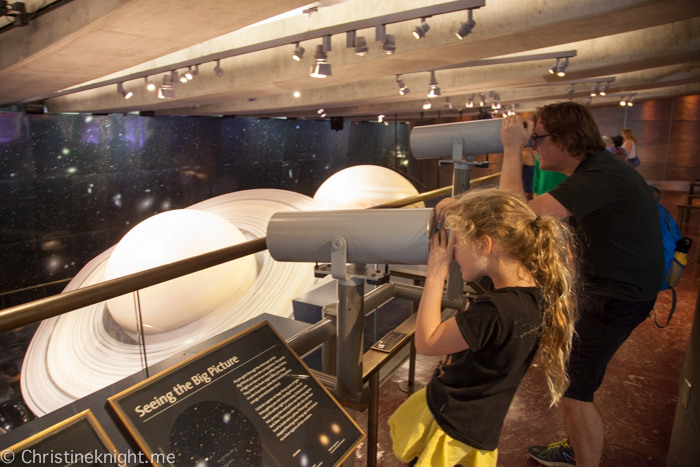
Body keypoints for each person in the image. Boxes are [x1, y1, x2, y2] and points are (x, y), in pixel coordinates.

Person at [494, 103, 664, 467]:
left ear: (567, 139)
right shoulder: (598, 171)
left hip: (616, 299)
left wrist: (510, 148)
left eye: (536, 139)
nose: (532, 147)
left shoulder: (601, 176)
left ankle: (583, 459)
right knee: (570, 379)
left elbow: (515, 219)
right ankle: (576, 448)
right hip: (610, 290)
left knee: (574, 390)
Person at [389, 188, 578, 467]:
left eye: (458, 245)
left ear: (485, 245)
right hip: (477, 426)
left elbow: (427, 342)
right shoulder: (530, 294)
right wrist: (459, 210)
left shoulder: (496, 311)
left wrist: (436, 273)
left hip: (452, 428)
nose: (452, 254)